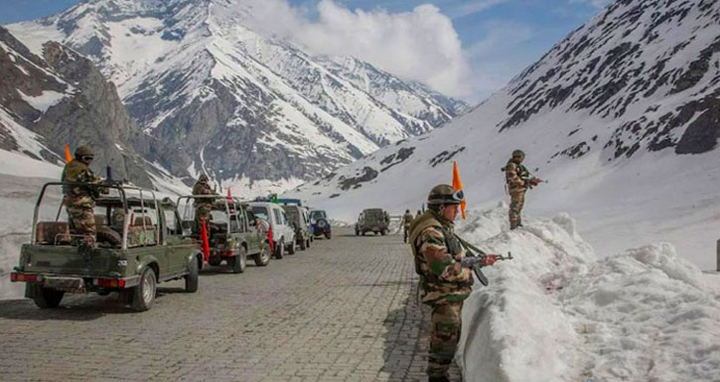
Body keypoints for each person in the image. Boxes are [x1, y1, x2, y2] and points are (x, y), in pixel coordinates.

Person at [408, 185, 497, 382]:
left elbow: (455, 257)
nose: (457, 211)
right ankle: (437, 377)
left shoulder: (442, 227)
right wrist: (467, 272)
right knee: (444, 341)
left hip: (449, 295)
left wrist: (479, 261)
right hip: (442, 295)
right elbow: (444, 268)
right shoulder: (432, 232)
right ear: (441, 208)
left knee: (448, 339)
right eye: (453, 207)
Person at [61, 145, 104, 245]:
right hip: (82, 203)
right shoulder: (82, 169)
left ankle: (75, 247)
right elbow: (95, 182)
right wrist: (103, 185)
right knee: (89, 232)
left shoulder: (69, 167)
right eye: (86, 158)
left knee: (75, 231)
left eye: (91, 158)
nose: (89, 161)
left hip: (70, 202)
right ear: (79, 157)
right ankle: (89, 253)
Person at [503, 149, 540, 230]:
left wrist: (530, 181)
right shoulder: (512, 165)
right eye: (522, 157)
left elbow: (523, 176)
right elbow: (513, 177)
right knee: (515, 207)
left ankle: (518, 224)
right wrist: (524, 182)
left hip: (519, 189)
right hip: (516, 189)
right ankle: (513, 225)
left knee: (519, 206)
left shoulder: (518, 166)